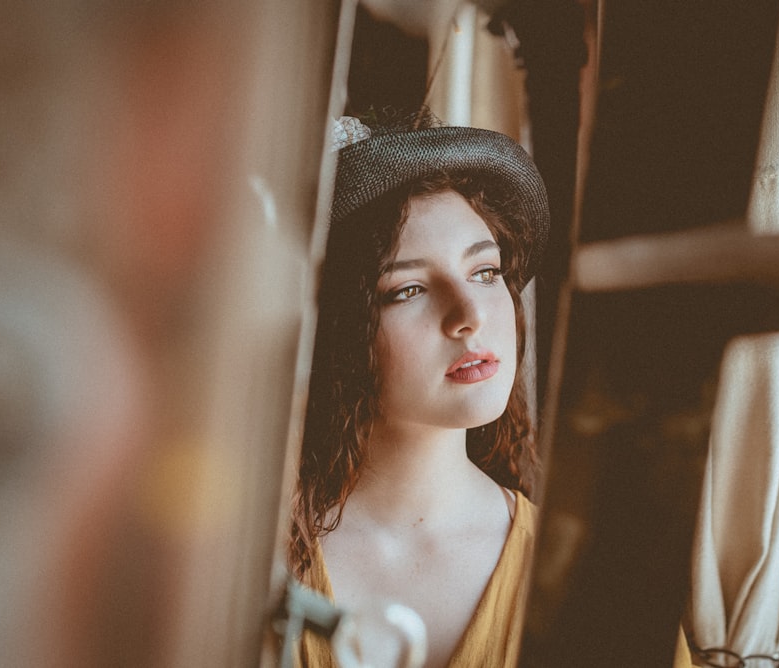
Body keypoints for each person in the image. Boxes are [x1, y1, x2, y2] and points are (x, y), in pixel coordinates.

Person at [286, 109, 692, 667]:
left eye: (485, 272)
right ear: (333, 328)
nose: (470, 314)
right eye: (407, 289)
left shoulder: (592, 577)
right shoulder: (249, 571)